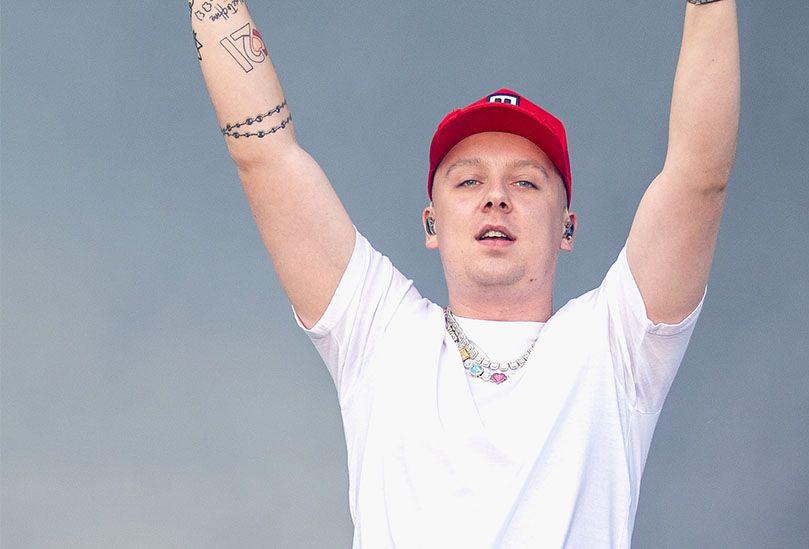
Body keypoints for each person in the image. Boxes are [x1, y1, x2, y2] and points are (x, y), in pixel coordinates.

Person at [191, 0, 738, 546]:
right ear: (431, 223)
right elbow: (267, 155)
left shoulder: (617, 344)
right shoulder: (378, 332)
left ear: (567, 228)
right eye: (468, 181)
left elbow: (698, 175)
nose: (496, 197)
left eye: (525, 183)